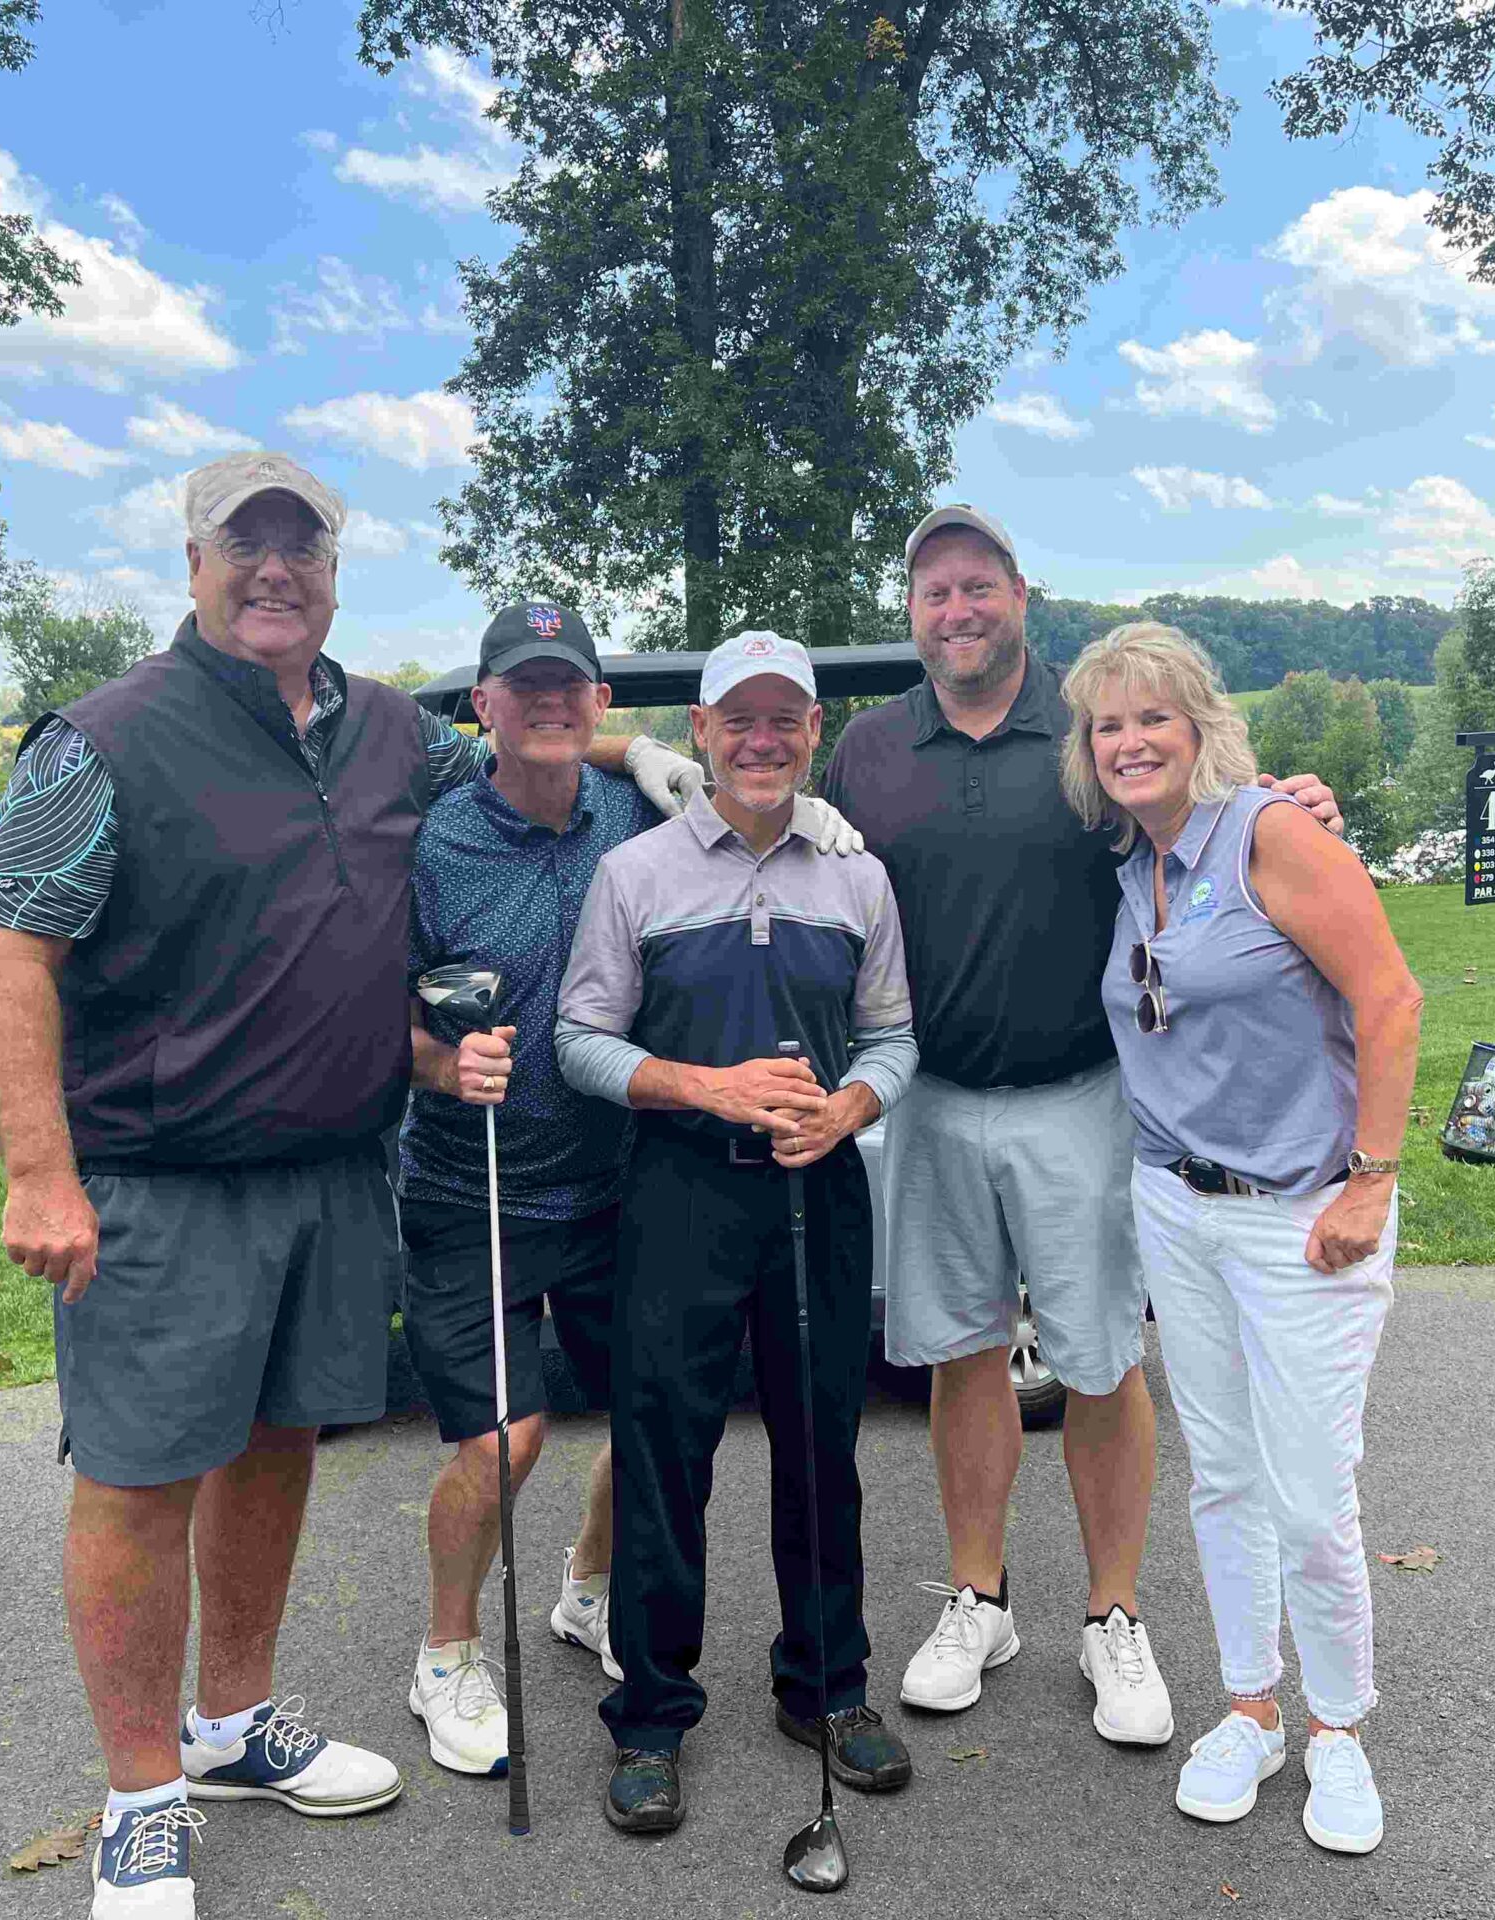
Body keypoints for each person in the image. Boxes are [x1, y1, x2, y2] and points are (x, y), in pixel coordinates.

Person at [0, 451, 715, 1919]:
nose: (273, 572)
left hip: (333, 1171)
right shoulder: (101, 741)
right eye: (243, 546)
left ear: (331, 569)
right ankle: (138, 1799)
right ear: (192, 563)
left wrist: (644, 759)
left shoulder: (388, 731)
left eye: (298, 548)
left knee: (277, 1453)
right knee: (138, 1485)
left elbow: (528, 750)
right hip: (158, 1180)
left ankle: (237, 1722)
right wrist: (40, 1173)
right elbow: (11, 958)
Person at [819, 504, 1340, 1749]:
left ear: (1019, 594)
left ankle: (1112, 1615)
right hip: (932, 1100)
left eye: (978, 587)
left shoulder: (1091, 724)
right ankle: (979, 1596)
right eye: (934, 591)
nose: (957, 611)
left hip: (1087, 1093)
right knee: (958, 1354)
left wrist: (1286, 804)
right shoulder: (870, 747)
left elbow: (1203, 813)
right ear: (912, 612)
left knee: (1102, 1362)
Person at [396, 601, 866, 1773]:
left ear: (603, 704)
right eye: (524, 688)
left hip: (618, 1180)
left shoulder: (634, 806)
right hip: (477, 1181)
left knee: (652, 1422)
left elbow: (752, 802)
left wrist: (677, 762)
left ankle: (590, 1588)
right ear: (482, 706)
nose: (551, 705)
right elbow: (376, 1002)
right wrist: (437, 1062)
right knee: (504, 1439)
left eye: (573, 689)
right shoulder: (433, 836)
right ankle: (449, 1650)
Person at [1060, 621, 1422, 1857]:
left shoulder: (1271, 831)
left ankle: (1338, 1730)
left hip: (1304, 1214)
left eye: (1152, 717)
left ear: (1203, 726)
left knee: (1311, 1493)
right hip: (1178, 1206)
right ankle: (1250, 1708)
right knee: (1222, 1473)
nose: (1129, 741)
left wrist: (1371, 1180)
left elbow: (1390, 996)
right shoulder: (1130, 864)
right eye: (1108, 725)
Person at [556, 631, 918, 1835]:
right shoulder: (639, 873)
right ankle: (653, 1714)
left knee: (822, 1446)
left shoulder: (855, 876)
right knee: (668, 1454)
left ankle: (826, 1686)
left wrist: (856, 1103)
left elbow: (893, 1035)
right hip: (679, 1187)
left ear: (813, 732)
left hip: (815, 1189)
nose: (763, 741)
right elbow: (581, 1038)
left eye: (786, 721)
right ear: (702, 734)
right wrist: (700, 1087)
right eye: (739, 721)